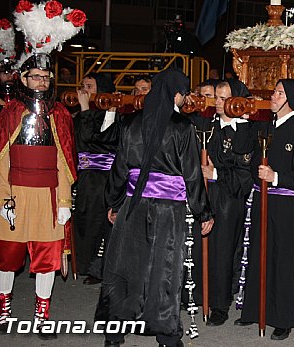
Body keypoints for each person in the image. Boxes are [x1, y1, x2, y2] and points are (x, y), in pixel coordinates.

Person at [98, 68, 212, 347]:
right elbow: (192, 174)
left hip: (132, 205)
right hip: (167, 209)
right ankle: (166, 335)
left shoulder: (131, 123)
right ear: (176, 93)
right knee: (164, 270)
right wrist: (203, 212)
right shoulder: (182, 127)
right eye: (184, 93)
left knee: (126, 267)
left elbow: (119, 168)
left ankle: (114, 332)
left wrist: (114, 203)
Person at [0, 54, 77, 337]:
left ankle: (42, 315)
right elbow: (0, 161)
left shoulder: (60, 114)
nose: (41, 82)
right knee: (6, 256)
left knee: (47, 257)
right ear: (23, 78)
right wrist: (1, 199)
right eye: (35, 76)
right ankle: (3, 309)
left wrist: (65, 202)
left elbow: (64, 163)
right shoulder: (10, 112)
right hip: (14, 194)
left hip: (48, 195)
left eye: (46, 77)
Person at [235, 79, 294, 341]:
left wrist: (276, 177)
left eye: (278, 93)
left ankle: (282, 318)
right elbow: (247, 155)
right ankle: (255, 309)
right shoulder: (266, 125)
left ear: (290, 99)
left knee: (284, 261)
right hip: (263, 200)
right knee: (260, 254)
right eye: (273, 91)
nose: (272, 95)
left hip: (287, 204)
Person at [200, 79, 254, 326]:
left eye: (224, 99)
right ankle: (197, 294)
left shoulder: (246, 132)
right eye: (216, 98)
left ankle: (220, 304)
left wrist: (216, 174)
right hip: (201, 194)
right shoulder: (205, 126)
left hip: (227, 200)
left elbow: (245, 177)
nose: (219, 104)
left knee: (222, 253)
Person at [72, 73, 118, 284]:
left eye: (89, 86)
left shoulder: (111, 114)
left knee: (103, 223)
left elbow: (95, 140)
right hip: (87, 178)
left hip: (106, 179)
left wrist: (85, 110)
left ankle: (100, 268)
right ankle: (86, 263)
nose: (84, 91)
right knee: (86, 221)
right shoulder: (82, 115)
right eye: (82, 86)